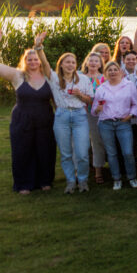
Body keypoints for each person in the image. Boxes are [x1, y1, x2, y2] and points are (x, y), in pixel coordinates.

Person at [0, 26, 55, 194]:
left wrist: (39, 46)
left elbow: (57, 96)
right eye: (29, 59)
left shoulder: (47, 75)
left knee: (45, 149)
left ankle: (44, 181)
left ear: (39, 60)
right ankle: (24, 184)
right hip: (22, 119)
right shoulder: (17, 75)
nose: (33, 62)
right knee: (23, 151)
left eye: (35, 59)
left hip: (45, 119)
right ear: (25, 61)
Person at [42, 49, 94, 193]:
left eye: (73, 62)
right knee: (66, 153)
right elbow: (45, 64)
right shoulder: (54, 78)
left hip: (79, 116)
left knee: (82, 152)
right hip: (62, 116)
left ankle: (82, 180)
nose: (70, 65)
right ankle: (71, 181)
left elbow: (90, 100)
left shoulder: (83, 79)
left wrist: (80, 95)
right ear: (61, 65)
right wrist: (39, 48)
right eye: (67, 62)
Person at [92, 61, 137, 190]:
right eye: (110, 70)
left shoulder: (129, 85)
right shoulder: (101, 88)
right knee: (111, 153)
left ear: (120, 71)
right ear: (105, 73)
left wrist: (130, 115)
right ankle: (116, 179)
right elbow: (93, 111)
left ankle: (132, 177)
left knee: (128, 152)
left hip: (123, 122)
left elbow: (136, 104)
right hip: (106, 123)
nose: (113, 72)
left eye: (115, 69)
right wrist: (98, 108)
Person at [81, 51, 106, 184]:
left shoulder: (104, 78)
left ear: (100, 64)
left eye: (96, 61)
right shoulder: (80, 78)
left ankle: (98, 171)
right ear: (86, 62)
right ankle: (79, 171)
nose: (93, 63)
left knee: (96, 142)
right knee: (80, 143)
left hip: (97, 114)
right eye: (91, 60)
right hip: (81, 114)